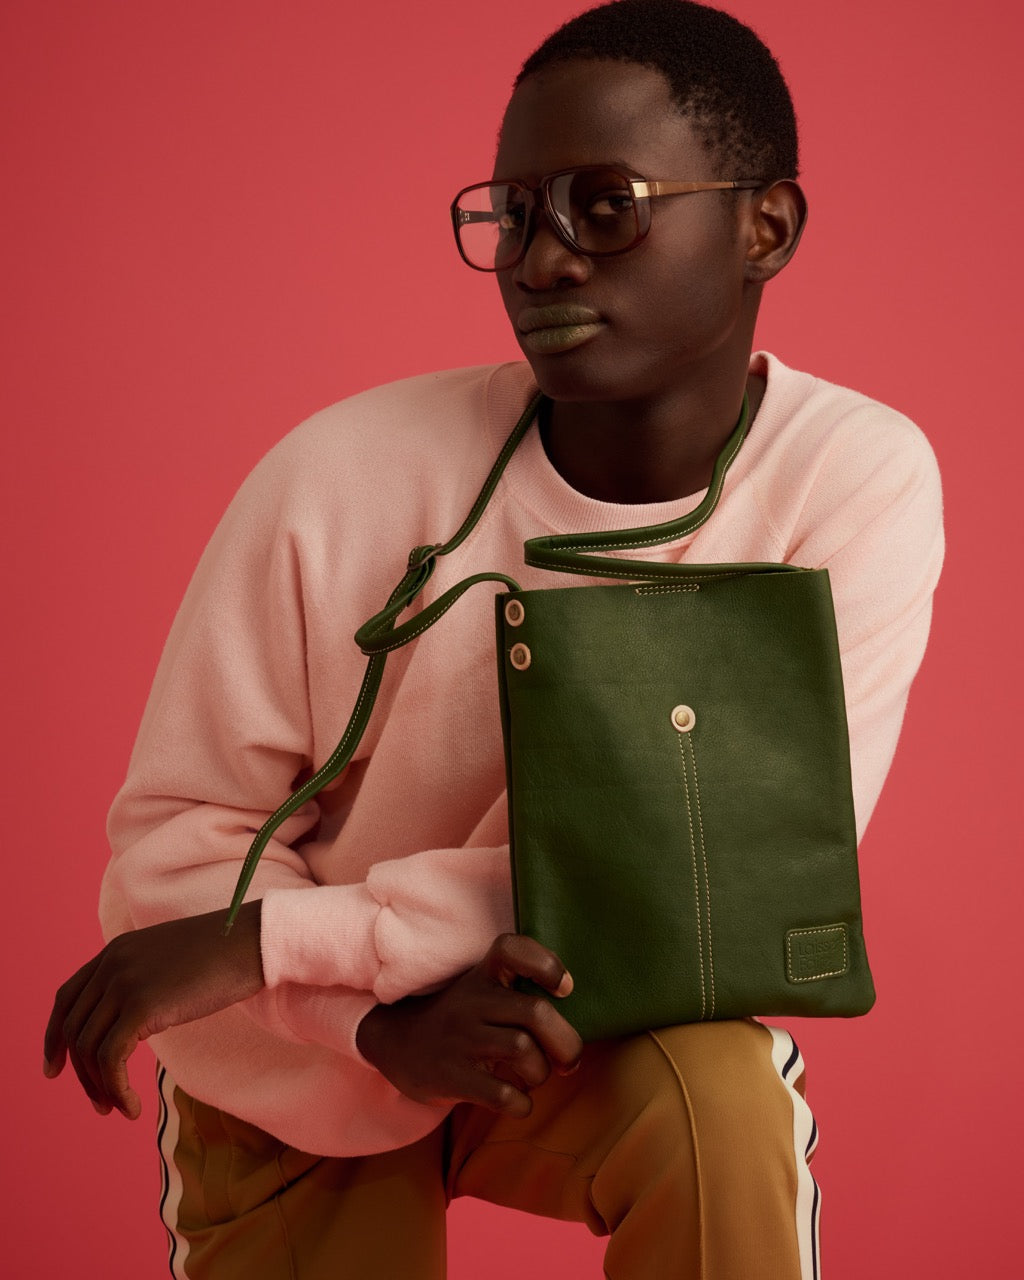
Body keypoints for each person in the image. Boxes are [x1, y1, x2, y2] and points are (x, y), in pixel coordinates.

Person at [43, 1, 943, 1276]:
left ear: (766, 226)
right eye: (514, 215)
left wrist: (271, 936)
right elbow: (181, 837)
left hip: (579, 1017)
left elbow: (716, 859)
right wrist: (364, 1014)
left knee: (723, 1109)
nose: (544, 259)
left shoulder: (847, 477)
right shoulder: (339, 474)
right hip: (295, 1048)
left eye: (607, 205)